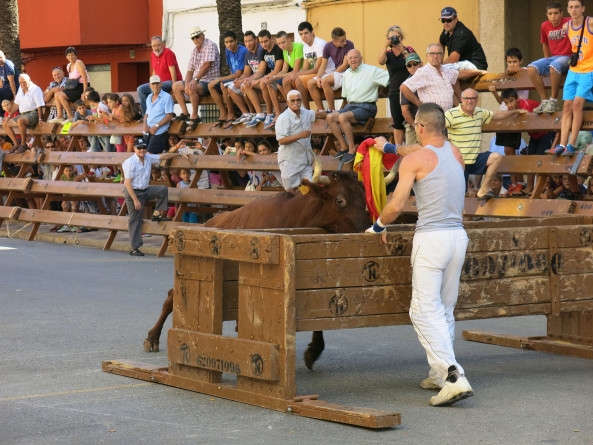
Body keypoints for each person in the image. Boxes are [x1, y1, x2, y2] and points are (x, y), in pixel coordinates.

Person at [366, 102, 473, 407]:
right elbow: (418, 151)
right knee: (444, 309)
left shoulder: (416, 161)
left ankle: (453, 376)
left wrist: (377, 225)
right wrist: (388, 146)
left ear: (421, 127)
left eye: (415, 126)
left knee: (422, 311)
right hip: (457, 237)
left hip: (432, 239)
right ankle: (440, 375)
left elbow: (397, 204)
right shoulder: (455, 153)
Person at [444, 88, 528, 200]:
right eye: (467, 98)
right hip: (459, 162)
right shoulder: (451, 114)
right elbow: (437, 129)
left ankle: (483, 189)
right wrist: (449, 144)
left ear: (477, 99)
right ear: (461, 99)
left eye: (473, 98)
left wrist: (516, 111)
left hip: (474, 160)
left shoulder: (479, 112)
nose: (470, 101)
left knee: (496, 157)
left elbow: (496, 116)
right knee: (457, 198)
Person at [327, 49, 389, 165]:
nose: (353, 60)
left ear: (361, 58)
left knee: (343, 117)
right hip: (351, 106)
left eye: (355, 57)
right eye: (350, 58)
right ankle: (344, 147)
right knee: (330, 117)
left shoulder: (371, 70)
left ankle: (352, 149)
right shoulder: (347, 74)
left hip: (367, 107)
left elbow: (390, 77)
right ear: (347, 60)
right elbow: (346, 97)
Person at [122, 139, 182, 257]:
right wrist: (135, 200)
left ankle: (156, 214)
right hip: (133, 192)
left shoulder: (148, 157)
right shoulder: (130, 162)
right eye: (139, 148)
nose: (142, 150)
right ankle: (134, 248)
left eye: (143, 148)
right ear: (134, 149)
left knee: (162, 189)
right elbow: (127, 183)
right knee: (135, 220)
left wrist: (178, 152)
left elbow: (163, 156)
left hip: (145, 190)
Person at [549, 0, 592, 156]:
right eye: (571, 7)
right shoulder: (566, 27)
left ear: (583, 8)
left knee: (577, 104)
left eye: (577, 7)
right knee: (567, 105)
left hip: (589, 70)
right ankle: (562, 144)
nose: (574, 10)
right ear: (567, 10)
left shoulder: (590, 23)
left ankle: (572, 144)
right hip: (574, 70)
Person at [275, 90, 325, 193]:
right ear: (288, 103)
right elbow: (281, 140)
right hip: (289, 161)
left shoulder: (305, 112)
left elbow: (317, 115)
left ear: (301, 100)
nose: (295, 103)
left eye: (298, 100)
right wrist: (300, 135)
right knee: (291, 192)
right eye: (292, 101)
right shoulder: (283, 118)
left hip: (305, 160)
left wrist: (334, 114)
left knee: (310, 190)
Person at [172, 26, 220, 132]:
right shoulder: (194, 51)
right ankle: (185, 113)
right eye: (193, 38)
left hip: (210, 81)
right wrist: (187, 85)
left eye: (197, 37)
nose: (195, 40)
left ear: (203, 35)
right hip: (198, 81)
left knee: (192, 87)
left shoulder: (210, 45)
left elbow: (206, 65)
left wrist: (194, 80)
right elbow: (190, 70)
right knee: (175, 86)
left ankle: (194, 117)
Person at [528, 1, 572, 114]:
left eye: (556, 13)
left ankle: (553, 101)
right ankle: (545, 101)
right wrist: (545, 65)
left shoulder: (569, 22)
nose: (553, 16)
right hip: (553, 58)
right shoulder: (544, 25)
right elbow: (545, 44)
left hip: (568, 57)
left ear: (561, 13)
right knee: (531, 68)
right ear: (547, 14)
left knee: (554, 66)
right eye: (550, 13)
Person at [378, 25, 416, 145]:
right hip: (394, 90)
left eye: (396, 37)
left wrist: (402, 48)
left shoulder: (408, 49)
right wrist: (385, 46)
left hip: (411, 89)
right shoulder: (388, 54)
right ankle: (398, 149)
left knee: (412, 117)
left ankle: (415, 145)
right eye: (391, 38)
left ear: (401, 37)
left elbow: (414, 62)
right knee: (397, 122)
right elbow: (380, 61)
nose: (394, 40)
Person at [400, 43, 460, 111]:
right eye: (432, 53)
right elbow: (404, 87)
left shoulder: (446, 71)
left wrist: (460, 108)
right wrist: (419, 104)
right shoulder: (423, 72)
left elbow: (451, 91)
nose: (435, 56)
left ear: (442, 55)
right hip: (431, 116)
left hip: (446, 116)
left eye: (439, 53)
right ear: (427, 56)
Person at [263, 31, 304, 130]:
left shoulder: (298, 47)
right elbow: (284, 70)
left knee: (284, 81)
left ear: (289, 39)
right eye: (279, 43)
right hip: (292, 75)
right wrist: (271, 78)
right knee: (269, 83)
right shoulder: (284, 51)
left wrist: (275, 77)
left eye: (283, 42)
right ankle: (278, 113)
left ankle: (294, 109)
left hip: (302, 74)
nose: (281, 45)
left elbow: (295, 71)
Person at [243, 29, 284, 128]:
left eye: (266, 41)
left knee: (263, 83)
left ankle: (270, 114)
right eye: (261, 42)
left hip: (278, 76)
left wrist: (259, 80)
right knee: (246, 84)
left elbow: (277, 69)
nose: (264, 44)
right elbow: (261, 71)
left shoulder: (277, 49)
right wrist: (250, 80)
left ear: (271, 39)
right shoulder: (263, 51)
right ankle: (260, 114)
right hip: (269, 77)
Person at [307, 27, 355, 112]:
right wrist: (318, 77)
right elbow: (323, 65)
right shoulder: (328, 46)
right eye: (342, 41)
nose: (345, 42)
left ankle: (331, 109)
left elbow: (344, 65)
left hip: (347, 72)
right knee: (310, 83)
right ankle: (321, 110)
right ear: (334, 41)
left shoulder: (349, 44)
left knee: (325, 81)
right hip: (336, 72)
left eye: (345, 39)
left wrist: (329, 76)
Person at [207, 30, 248, 128]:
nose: (229, 44)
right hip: (233, 78)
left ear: (236, 40)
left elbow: (238, 73)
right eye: (226, 42)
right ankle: (223, 113)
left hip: (241, 78)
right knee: (210, 85)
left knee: (222, 84)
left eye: (231, 41)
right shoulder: (227, 51)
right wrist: (224, 79)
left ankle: (231, 114)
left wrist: (220, 79)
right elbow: (231, 71)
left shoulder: (243, 51)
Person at [227, 31, 266, 126]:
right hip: (254, 78)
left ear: (256, 40)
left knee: (245, 85)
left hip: (264, 77)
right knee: (231, 87)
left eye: (250, 41)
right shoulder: (248, 53)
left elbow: (261, 72)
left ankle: (259, 113)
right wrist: (238, 80)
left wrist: (244, 81)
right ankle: (247, 114)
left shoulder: (261, 50)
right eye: (246, 41)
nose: (248, 43)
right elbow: (246, 73)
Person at [137, 36, 182, 115]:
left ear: (163, 45)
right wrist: (150, 82)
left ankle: (155, 114)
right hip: (159, 82)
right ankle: (146, 115)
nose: (156, 48)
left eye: (158, 45)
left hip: (171, 81)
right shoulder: (152, 55)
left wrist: (174, 85)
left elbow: (172, 70)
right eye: (154, 46)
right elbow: (154, 71)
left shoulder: (168, 53)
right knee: (141, 89)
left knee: (155, 87)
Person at [2, 73, 44, 152]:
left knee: (20, 120)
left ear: (29, 80)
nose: (22, 84)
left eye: (24, 82)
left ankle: (23, 144)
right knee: (5, 123)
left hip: (33, 113)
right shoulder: (20, 90)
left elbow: (39, 105)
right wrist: (8, 116)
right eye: (20, 82)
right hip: (23, 114)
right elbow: (16, 104)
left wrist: (40, 118)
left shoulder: (35, 89)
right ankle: (16, 145)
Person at [49, 47, 90, 124]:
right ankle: (59, 116)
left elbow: (84, 77)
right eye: (68, 55)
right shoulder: (68, 66)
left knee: (61, 96)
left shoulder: (79, 63)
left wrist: (84, 92)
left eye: (72, 55)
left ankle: (70, 116)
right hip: (73, 86)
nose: (70, 57)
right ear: (66, 57)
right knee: (57, 94)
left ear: (76, 55)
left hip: (81, 86)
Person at [294, 21, 327, 109]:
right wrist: (294, 75)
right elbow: (305, 68)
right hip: (317, 73)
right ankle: (305, 110)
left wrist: (297, 75)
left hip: (325, 72)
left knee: (299, 80)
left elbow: (318, 68)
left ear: (312, 32)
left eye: (306, 33)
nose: (303, 36)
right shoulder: (305, 47)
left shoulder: (320, 43)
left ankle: (320, 110)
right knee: (292, 80)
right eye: (301, 34)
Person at [143, 75, 175, 154]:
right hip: (147, 131)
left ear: (161, 84)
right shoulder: (149, 97)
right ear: (150, 85)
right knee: (142, 154)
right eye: (153, 84)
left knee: (148, 155)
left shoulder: (167, 97)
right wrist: (144, 124)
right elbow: (147, 114)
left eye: (157, 83)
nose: (155, 86)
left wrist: (157, 126)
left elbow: (169, 115)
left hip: (159, 131)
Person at [400, 53, 423, 144]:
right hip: (413, 122)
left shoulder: (430, 77)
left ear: (421, 64)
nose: (413, 67)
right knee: (410, 153)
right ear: (407, 68)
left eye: (415, 63)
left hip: (431, 122)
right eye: (409, 65)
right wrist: (414, 125)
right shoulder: (406, 85)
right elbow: (405, 110)